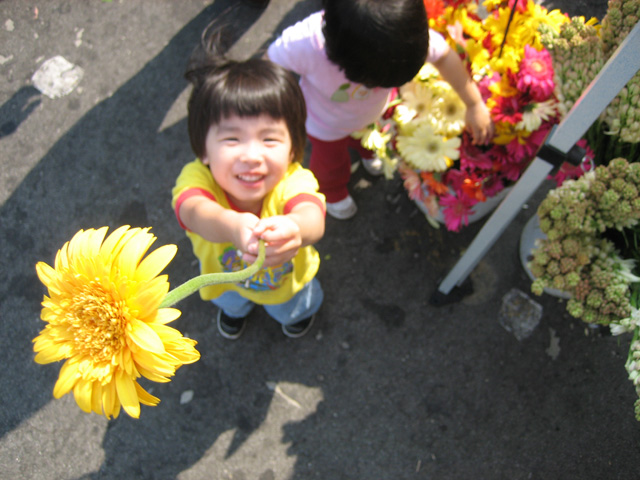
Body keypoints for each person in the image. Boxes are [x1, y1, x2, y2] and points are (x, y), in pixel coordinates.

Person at [266, 0, 494, 220]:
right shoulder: (306, 43)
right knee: (329, 164)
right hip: (324, 125)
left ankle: (366, 152)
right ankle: (332, 191)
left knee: (370, 142)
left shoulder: (403, 38)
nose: (376, 86)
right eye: (371, 80)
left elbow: (444, 57)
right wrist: (274, 127)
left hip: (371, 117)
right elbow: (266, 69)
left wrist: (474, 104)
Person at [172, 33, 326, 340]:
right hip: (225, 281)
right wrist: (231, 226)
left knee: (292, 307)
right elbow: (193, 211)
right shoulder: (197, 179)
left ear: (293, 149)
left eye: (269, 139)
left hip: (286, 284)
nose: (252, 156)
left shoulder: (292, 179)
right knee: (231, 300)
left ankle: (295, 314)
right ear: (203, 149)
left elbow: (312, 215)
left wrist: (296, 229)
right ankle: (235, 311)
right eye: (232, 139)